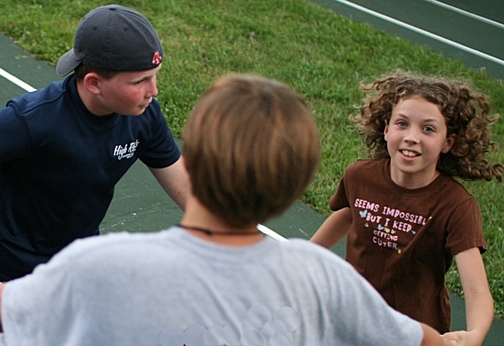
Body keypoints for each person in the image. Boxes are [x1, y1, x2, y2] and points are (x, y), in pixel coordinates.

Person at [0, 74, 456, 345]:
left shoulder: (99, 266)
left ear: (192, 157)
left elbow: (13, 309)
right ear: (297, 185)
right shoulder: (324, 277)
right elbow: (423, 340)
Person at [310, 71, 502, 345]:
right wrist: (300, 255)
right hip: (352, 316)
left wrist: (475, 334)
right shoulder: (360, 176)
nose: (412, 137)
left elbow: (476, 289)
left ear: (449, 142)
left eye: (428, 129)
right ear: (386, 128)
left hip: (414, 332)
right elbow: (349, 213)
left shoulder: (456, 206)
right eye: (402, 123)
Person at [0, 5, 189, 281]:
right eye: (140, 81)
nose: (153, 91)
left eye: (155, 75)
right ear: (94, 83)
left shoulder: (144, 116)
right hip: (12, 271)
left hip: (74, 268)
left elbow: (188, 189)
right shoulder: (32, 120)